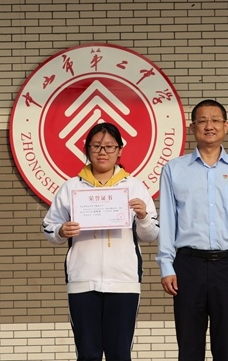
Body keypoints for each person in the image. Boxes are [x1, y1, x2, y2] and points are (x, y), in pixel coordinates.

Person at [43, 122, 159, 361]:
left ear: (120, 150)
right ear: (86, 149)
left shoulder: (134, 186)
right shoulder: (71, 187)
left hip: (123, 282)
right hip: (82, 281)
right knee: (88, 354)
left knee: (120, 354)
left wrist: (143, 217)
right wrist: (61, 231)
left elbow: (151, 235)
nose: (102, 152)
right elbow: (49, 228)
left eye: (109, 146)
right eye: (96, 146)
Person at [156, 99, 228, 361]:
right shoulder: (174, 170)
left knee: (226, 346)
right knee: (189, 346)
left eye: (215, 120)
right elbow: (167, 221)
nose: (209, 126)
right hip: (187, 265)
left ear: (226, 126)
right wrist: (166, 265)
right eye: (202, 121)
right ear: (192, 127)